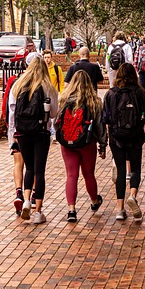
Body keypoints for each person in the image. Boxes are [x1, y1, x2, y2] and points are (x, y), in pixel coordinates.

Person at [7, 57, 59, 224]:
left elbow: (12, 112)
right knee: (39, 171)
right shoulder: (48, 87)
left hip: (22, 132)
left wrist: (13, 134)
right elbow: (53, 113)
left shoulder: (18, 85)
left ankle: (27, 201)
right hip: (41, 131)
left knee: (28, 168)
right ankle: (38, 212)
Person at [102, 63, 145, 221]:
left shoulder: (111, 93)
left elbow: (105, 117)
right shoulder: (139, 92)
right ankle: (133, 195)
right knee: (135, 169)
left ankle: (120, 209)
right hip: (135, 135)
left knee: (121, 171)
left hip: (116, 137)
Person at [57, 71, 107, 222]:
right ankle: (94, 201)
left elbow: (56, 122)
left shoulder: (63, 99)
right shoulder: (94, 101)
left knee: (71, 175)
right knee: (88, 174)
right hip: (87, 142)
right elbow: (99, 126)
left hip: (68, 142)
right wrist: (103, 144)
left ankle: (71, 210)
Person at [3, 52, 41, 216]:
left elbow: (10, 109)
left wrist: (12, 131)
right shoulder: (42, 84)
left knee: (18, 163)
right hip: (36, 130)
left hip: (18, 130)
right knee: (34, 165)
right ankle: (32, 195)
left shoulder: (15, 82)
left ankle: (19, 192)